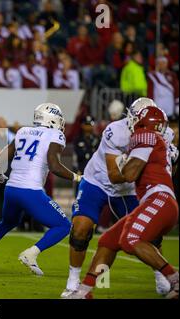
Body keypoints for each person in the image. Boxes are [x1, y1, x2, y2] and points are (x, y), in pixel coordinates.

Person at [61, 97, 176, 297]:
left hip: (130, 189)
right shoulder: (117, 131)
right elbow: (114, 176)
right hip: (99, 181)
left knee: (151, 235)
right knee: (81, 230)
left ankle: (162, 275)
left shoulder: (160, 133)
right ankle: (74, 282)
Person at [0, 103, 76, 275]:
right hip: (30, 190)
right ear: (52, 119)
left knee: (8, 223)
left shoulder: (23, 131)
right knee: (64, 225)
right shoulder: (55, 134)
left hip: (11, 189)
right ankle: (31, 254)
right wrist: (77, 177)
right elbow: (54, 165)